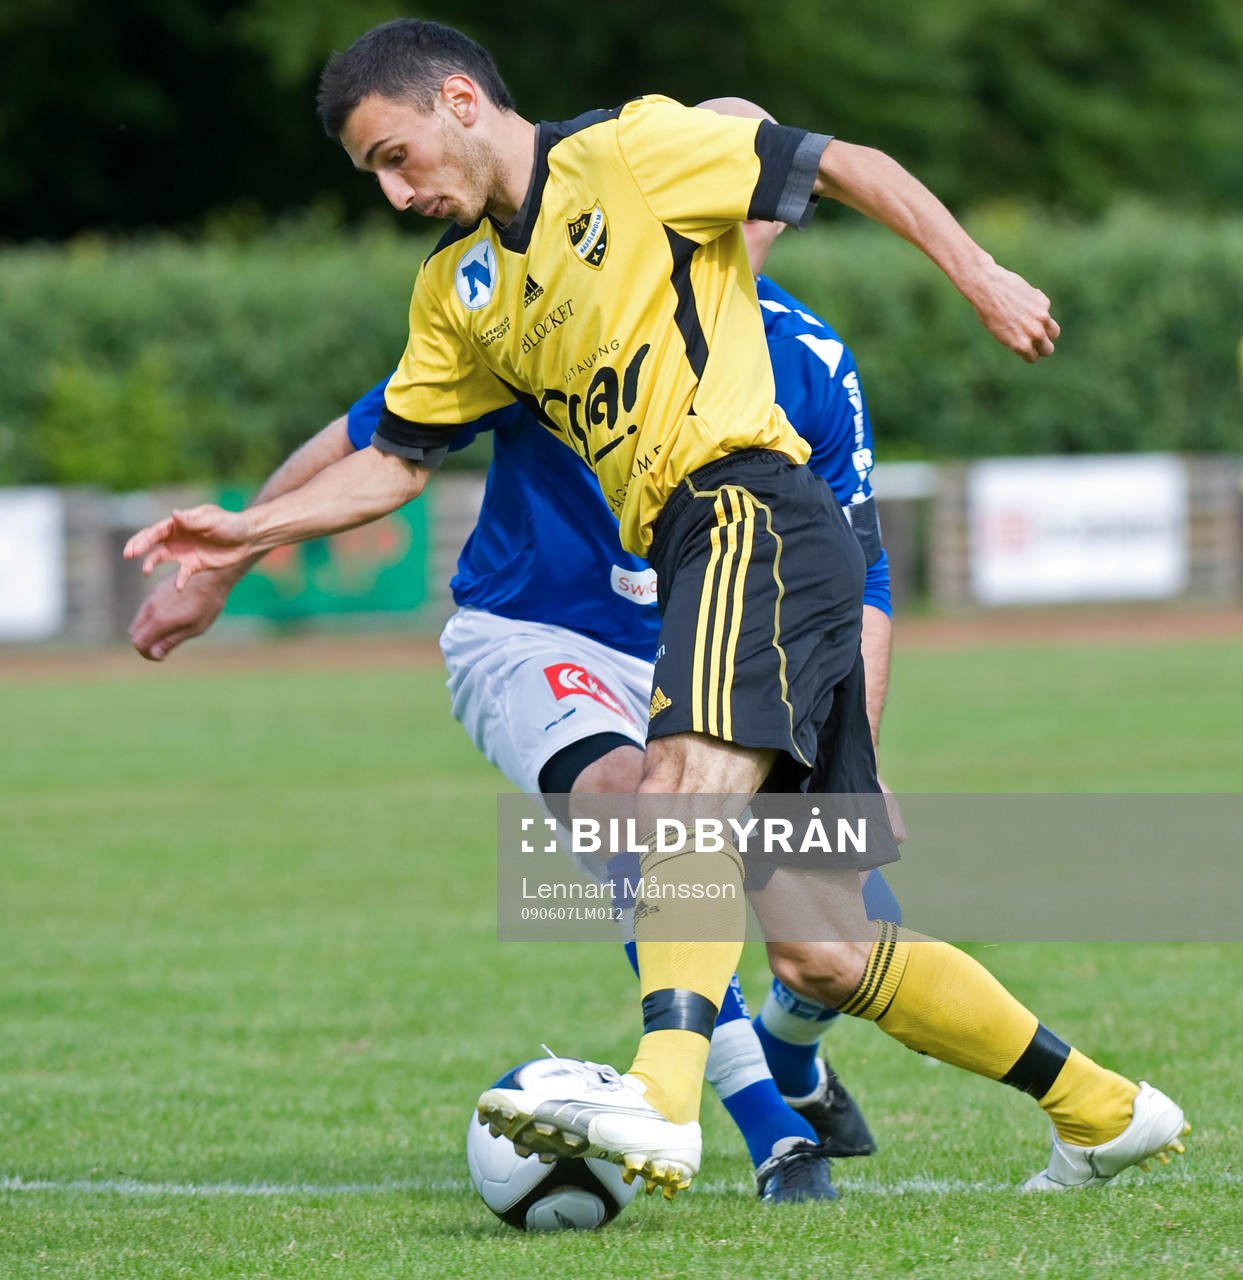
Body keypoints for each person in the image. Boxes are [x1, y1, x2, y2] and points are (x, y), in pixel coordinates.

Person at [125, 19, 1186, 1200]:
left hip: (746, 513)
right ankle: (1102, 1108)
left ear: (460, 100)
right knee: (822, 947)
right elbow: (388, 456)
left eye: (394, 155)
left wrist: (981, 274)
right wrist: (243, 535)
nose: (393, 189)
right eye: (372, 171)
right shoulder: (464, 290)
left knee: (675, 789)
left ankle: (664, 1097)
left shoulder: (630, 153)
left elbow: (849, 162)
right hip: (686, 562)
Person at [129, 188, 893, 1202]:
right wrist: (231, 556)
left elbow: (863, 577)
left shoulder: (811, 361)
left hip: (711, 656)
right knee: (640, 819)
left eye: (741, 205)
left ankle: (794, 1062)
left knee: (824, 938)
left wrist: (854, 771)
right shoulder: (555, 308)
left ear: (775, 220)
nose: (710, 223)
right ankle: (768, 1128)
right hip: (532, 635)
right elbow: (372, 436)